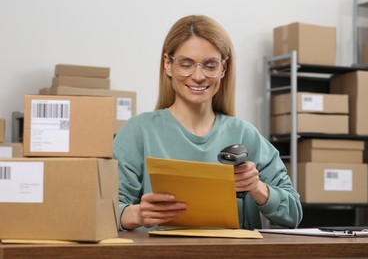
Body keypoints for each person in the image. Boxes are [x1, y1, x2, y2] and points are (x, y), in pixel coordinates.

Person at [113, 14, 303, 231]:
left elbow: (293, 214)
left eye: (210, 65)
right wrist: (135, 213)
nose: (198, 76)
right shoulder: (139, 132)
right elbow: (105, 210)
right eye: (186, 64)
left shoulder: (244, 135)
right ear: (168, 64)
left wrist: (258, 188)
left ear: (223, 68)